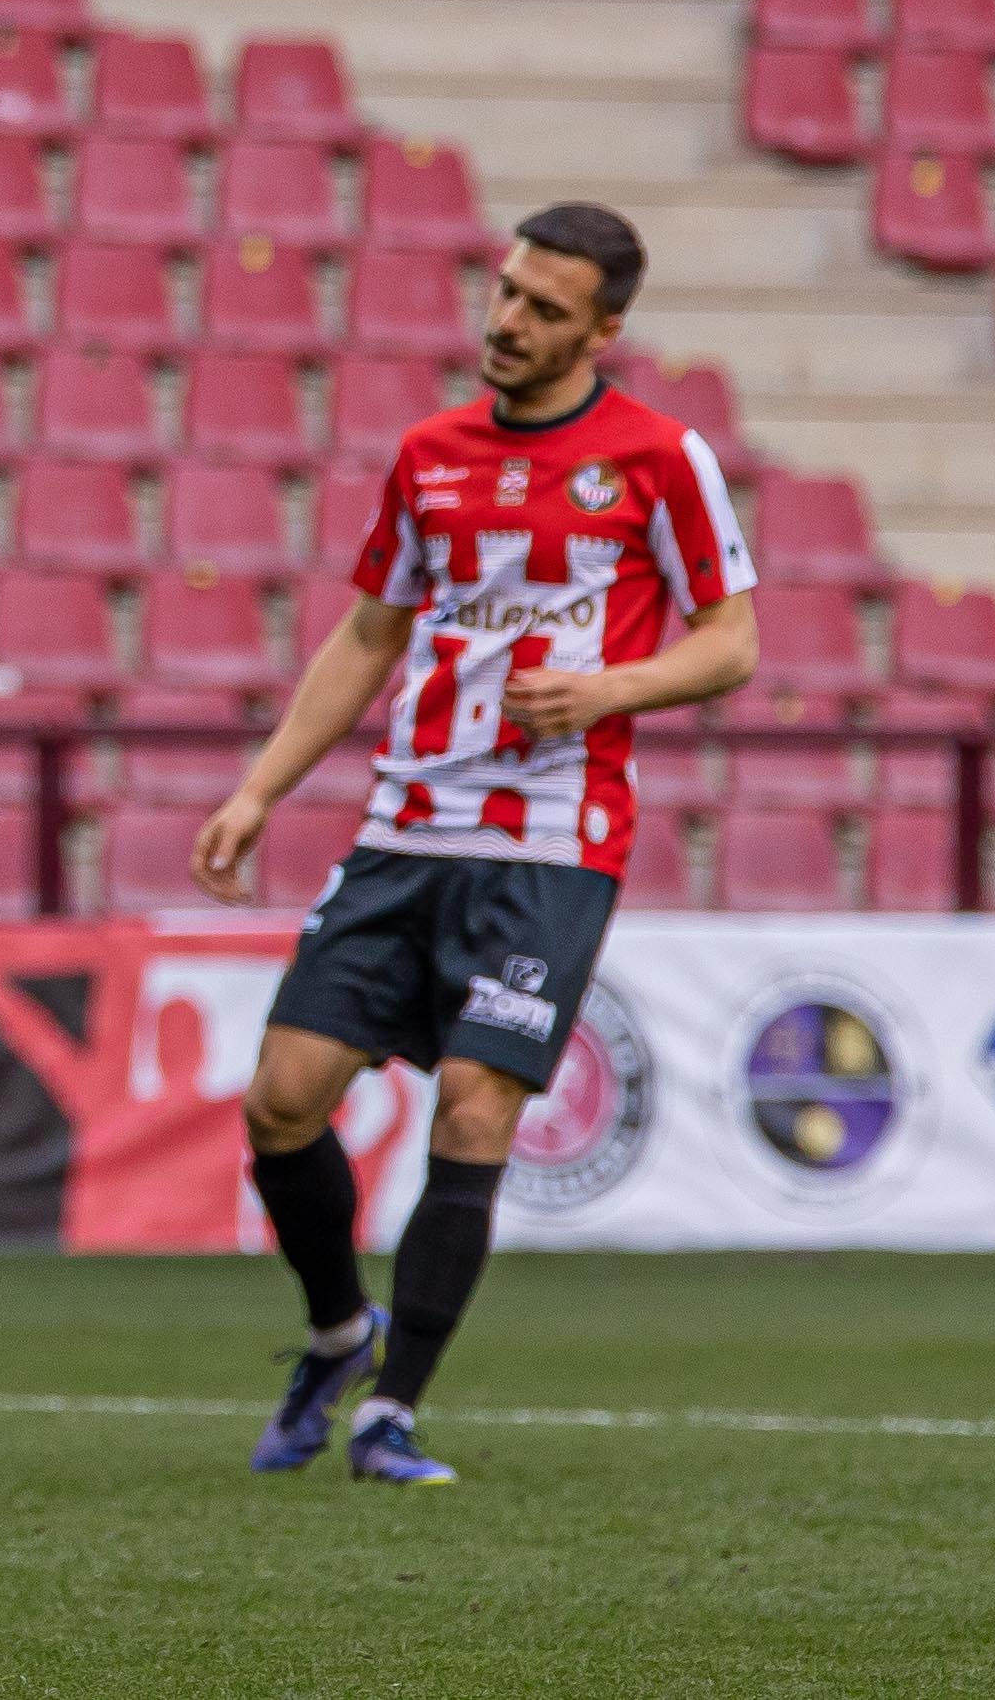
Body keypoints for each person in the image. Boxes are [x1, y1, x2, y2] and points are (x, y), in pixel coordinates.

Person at [189, 204, 759, 1485]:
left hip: (551, 843)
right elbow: (367, 637)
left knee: (473, 1099)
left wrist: (609, 689)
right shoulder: (429, 453)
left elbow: (731, 639)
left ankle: (393, 1408)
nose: (507, 322)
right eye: (505, 293)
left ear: (604, 330)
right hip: (407, 824)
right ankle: (338, 1332)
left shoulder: (661, 458)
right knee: (281, 1101)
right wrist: (258, 789)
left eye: (545, 309)